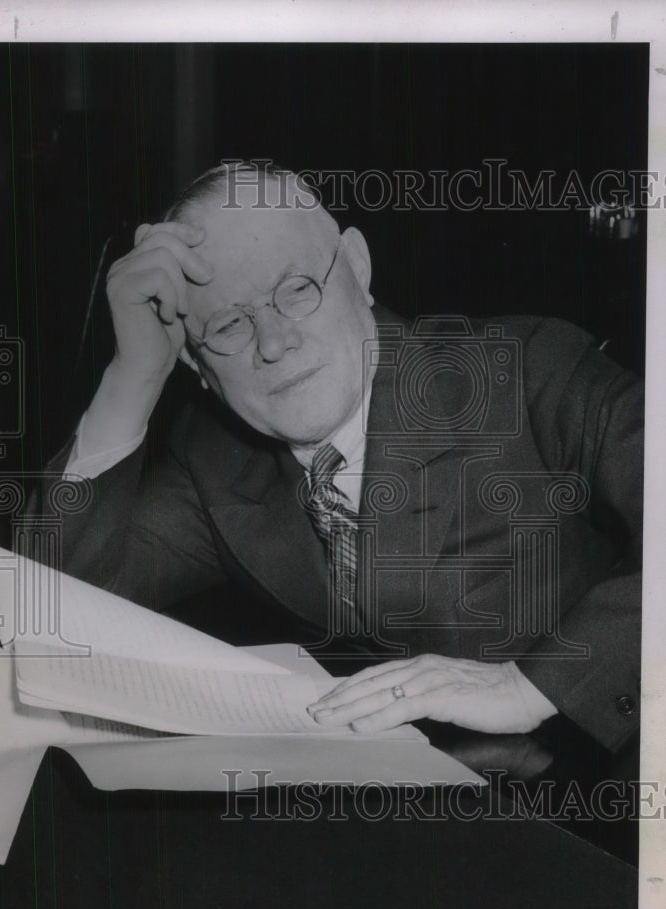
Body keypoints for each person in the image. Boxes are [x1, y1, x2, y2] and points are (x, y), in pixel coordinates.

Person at [40, 162, 642, 752]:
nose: (274, 344)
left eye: (297, 289)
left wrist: (531, 687)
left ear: (357, 266)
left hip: (582, 793)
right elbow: (59, 618)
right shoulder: (213, 456)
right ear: (195, 364)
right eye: (227, 326)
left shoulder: (527, 370)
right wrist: (133, 379)